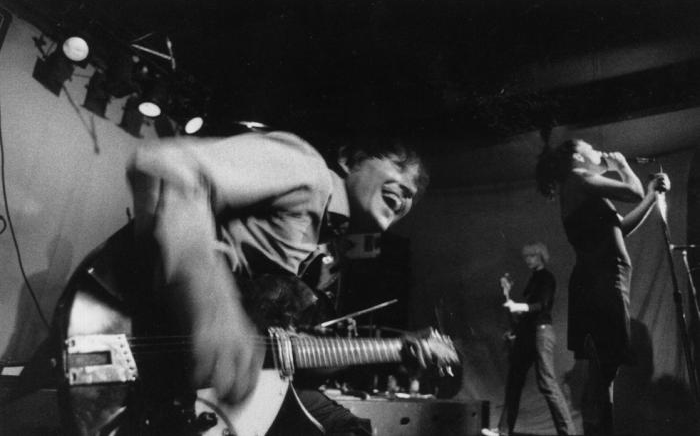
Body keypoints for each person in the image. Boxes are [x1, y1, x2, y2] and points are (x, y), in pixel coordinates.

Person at [121, 129, 430, 435]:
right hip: (133, 346)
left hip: (187, 393)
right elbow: (166, 164)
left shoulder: (325, 248)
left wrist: (394, 349)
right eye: (400, 167)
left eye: (416, 191)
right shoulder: (309, 173)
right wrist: (208, 298)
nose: (409, 192)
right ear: (349, 160)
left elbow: (271, 342)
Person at [534, 139, 670, 436]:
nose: (599, 151)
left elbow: (619, 229)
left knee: (602, 373)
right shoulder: (581, 178)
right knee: (604, 372)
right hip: (604, 278)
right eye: (592, 148)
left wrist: (651, 196)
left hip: (595, 278)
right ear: (577, 156)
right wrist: (621, 165)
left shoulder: (580, 186)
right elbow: (631, 191)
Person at [482, 242, 575, 436]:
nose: (527, 260)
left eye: (531, 256)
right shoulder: (533, 279)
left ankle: (568, 433)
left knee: (547, 383)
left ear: (540, 256)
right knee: (514, 380)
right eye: (526, 257)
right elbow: (522, 313)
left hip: (541, 333)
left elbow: (542, 305)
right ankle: (503, 430)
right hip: (528, 335)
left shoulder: (546, 278)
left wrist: (520, 307)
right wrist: (506, 292)